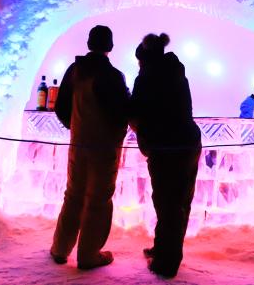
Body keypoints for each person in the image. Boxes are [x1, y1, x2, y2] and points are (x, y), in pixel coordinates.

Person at [50, 25, 130, 269]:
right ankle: (88, 255)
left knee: (73, 195)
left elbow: (61, 107)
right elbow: (121, 113)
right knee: (98, 200)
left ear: (88, 43)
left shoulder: (74, 70)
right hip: (104, 148)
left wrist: (76, 127)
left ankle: (60, 249)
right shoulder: (113, 76)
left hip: (78, 144)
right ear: (110, 46)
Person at [129, 33, 202, 278]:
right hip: (188, 144)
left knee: (167, 204)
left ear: (144, 59)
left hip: (166, 147)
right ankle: (163, 249)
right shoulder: (177, 72)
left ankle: (166, 264)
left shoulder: (147, 78)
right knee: (179, 202)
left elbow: (135, 112)